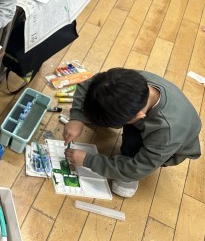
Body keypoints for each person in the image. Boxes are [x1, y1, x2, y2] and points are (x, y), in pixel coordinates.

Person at [63, 68, 201, 198]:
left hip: (173, 150)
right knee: (96, 105)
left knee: (133, 146)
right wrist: (76, 118)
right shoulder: (124, 81)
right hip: (159, 124)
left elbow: (138, 168)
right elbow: (87, 85)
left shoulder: (165, 134)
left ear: (139, 116)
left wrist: (89, 161)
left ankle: (127, 173)